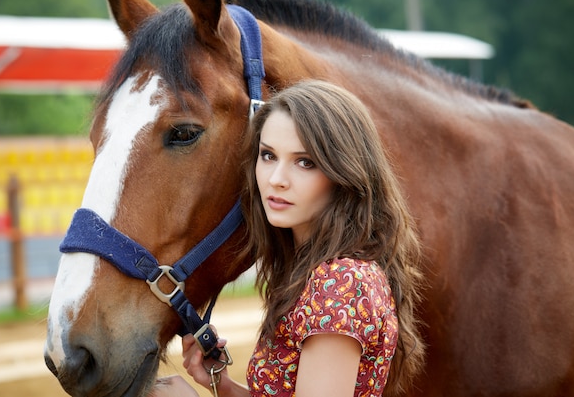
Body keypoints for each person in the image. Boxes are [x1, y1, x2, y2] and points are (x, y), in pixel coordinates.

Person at [182, 80, 425, 397]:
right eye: (268, 155)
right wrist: (222, 385)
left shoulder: (341, 283)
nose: (277, 179)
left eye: (304, 162)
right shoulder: (310, 271)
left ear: (344, 173)